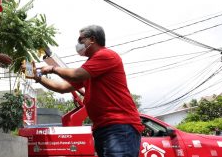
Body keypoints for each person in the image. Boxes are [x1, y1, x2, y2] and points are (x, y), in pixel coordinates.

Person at [34, 25, 144, 157]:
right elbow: (62, 88)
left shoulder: (106, 55)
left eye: (81, 40)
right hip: (103, 127)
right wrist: (38, 77)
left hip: (119, 125)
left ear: (92, 39)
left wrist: (52, 69)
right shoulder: (90, 67)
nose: (78, 44)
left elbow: (75, 75)